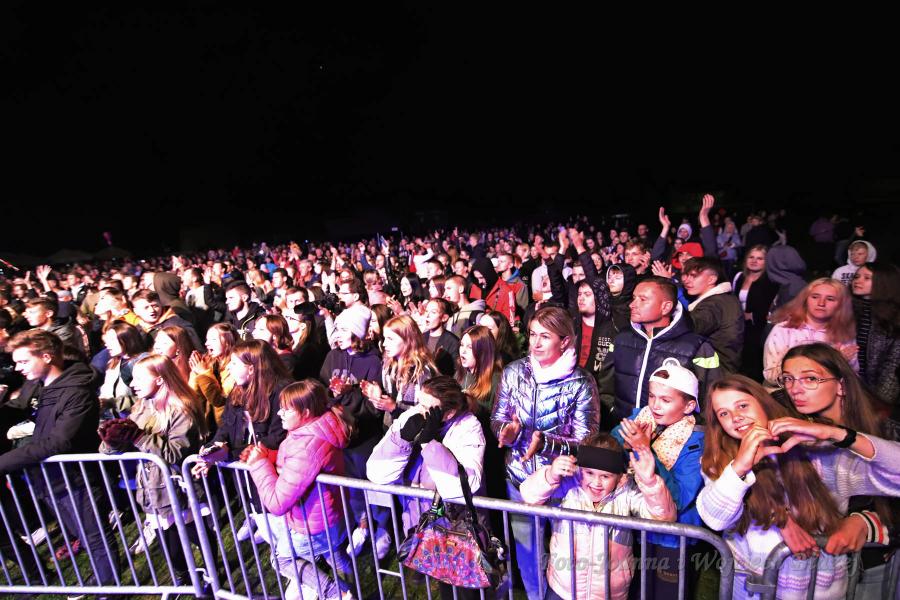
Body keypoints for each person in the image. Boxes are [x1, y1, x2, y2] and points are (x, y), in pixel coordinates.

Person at [698, 374, 900, 600]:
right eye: (723, 413)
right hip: (752, 590)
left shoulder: (815, 452)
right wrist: (740, 468)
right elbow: (716, 519)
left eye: (743, 405)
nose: (736, 417)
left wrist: (836, 434)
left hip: (819, 591)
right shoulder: (719, 461)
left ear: (763, 402)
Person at [489, 306, 600, 599]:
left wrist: (546, 444)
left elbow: (586, 440)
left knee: (568, 556)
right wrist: (505, 432)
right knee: (528, 553)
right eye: (532, 334)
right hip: (520, 480)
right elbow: (498, 417)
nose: (535, 343)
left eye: (545, 336)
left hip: (564, 485)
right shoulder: (514, 372)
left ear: (565, 341)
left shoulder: (581, 382)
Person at [0, 330, 120, 586]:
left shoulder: (77, 391)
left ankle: (109, 588)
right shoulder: (37, 384)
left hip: (76, 479)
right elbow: (18, 407)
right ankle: (102, 582)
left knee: (95, 537)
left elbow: (59, 442)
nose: (18, 368)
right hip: (49, 480)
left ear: (47, 357)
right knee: (83, 535)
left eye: (23, 361)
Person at [780, 343, 899, 598]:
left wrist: (867, 522)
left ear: (841, 386)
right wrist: (780, 518)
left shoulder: (884, 426)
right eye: (788, 379)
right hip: (817, 568)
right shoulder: (791, 426)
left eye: (810, 379)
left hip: (873, 563)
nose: (795, 389)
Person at [367, 376, 486, 600]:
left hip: (458, 531)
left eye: (428, 407)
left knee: (461, 591)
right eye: (419, 403)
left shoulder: (469, 427)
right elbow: (377, 473)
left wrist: (429, 444)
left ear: (448, 413)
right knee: (440, 581)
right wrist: (400, 440)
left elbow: (464, 485)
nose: (419, 410)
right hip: (421, 525)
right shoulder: (412, 416)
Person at [519, 434, 675, 600]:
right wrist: (550, 475)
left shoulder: (627, 494)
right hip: (561, 591)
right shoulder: (568, 486)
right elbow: (529, 495)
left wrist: (650, 482)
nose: (596, 482)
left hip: (609, 594)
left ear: (619, 477)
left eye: (605, 476)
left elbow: (665, 517)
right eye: (589, 473)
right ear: (580, 469)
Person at [99, 354, 208, 583]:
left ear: (159, 379)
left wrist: (139, 436)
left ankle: (212, 578)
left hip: (180, 491)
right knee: (170, 548)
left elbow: (174, 453)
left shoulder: (181, 409)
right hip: (152, 490)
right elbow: (117, 448)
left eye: (139, 378)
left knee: (198, 539)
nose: (133, 384)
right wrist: (111, 441)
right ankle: (186, 580)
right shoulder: (141, 406)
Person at [245, 380, 354, 600]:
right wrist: (269, 456)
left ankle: (337, 593)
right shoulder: (314, 429)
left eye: (286, 409)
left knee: (282, 560)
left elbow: (277, 502)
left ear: (305, 412)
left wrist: (258, 464)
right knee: (335, 556)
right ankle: (354, 590)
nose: (280, 413)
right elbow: (298, 468)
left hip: (313, 523)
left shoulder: (307, 445)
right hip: (327, 516)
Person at [611, 359, 706, 596]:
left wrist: (644, 449)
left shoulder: (696, 442)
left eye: (666, 400)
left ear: (688, 405)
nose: (655, 405)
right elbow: (609, 449)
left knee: (666, 593)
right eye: (652, 396)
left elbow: (679, 497)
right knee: (636, 590)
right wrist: (623, 442)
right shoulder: (640, 418)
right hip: (638, 525)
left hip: (673, 538)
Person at [611, 277, 722, 421]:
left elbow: (711, 397)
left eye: (643, 299)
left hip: (675, 433)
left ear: (666, 307)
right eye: (633, 298)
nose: (632, 305)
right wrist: (613, 415)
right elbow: (606, 387)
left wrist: (695, 429)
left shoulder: (697, 346)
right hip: (623, 427)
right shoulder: (621, 339)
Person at [762, 278, 858, 386]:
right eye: (815, 297)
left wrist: (841, 363)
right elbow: (771, 376)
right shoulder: (784, 330)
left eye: (830, 299)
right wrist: (832, 360)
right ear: (805, 299)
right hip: (788, 393)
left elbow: (853, 379)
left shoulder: (845, 335)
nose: (821, 303)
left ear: (841, 304)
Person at [361, 314, 437, 429]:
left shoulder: (421, 372)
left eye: (390, 339)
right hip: (391, 428)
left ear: (408, 340)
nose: (384, 344)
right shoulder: (389, 365)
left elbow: (424, 415)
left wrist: (394, 408)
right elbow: (392, 398)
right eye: (385, 338)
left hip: (411, 433)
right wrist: (380, 395)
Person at [680, 257, 745, 373]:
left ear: (712, 279)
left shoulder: (714, 304)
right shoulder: (724, 298)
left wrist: (668, 295)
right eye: (685, 274)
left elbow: (690, 327)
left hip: (715, 372)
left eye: (693, 276)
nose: (687, 280)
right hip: (722, 369)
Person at [850, 262, 900, 409]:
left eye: (867, 278)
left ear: (883, 283)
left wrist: (879, 403)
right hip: (852, 388)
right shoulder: (848, 309)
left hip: (878, 396)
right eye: (857, 276)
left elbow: (893, 365)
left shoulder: (894, 317)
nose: (858, 281)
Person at [732, 246, 779, 380]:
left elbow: (771, 307)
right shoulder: (739, 277)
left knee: (754, 362)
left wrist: (752, 316)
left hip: (758, 328)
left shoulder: (770, 281)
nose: (754, 261)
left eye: (759, 258)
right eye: (751, 257)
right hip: (738, 326)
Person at [188, 322, 237, 429]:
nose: (207, 344)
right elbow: (195, 396)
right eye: (207, 340)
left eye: (213, 340)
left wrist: (203, 373)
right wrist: (195, 372)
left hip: (226, 425)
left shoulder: (235, 366)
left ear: (228, 342)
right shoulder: (208, 363)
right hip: (208, 423)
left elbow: (220, 401)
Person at [420, 298, 460, 376]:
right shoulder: (422, 337)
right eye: (427, 311)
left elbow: (456, 372)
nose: (427, 315)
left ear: (444, 318)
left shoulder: (453, 342)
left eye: (433, 312)